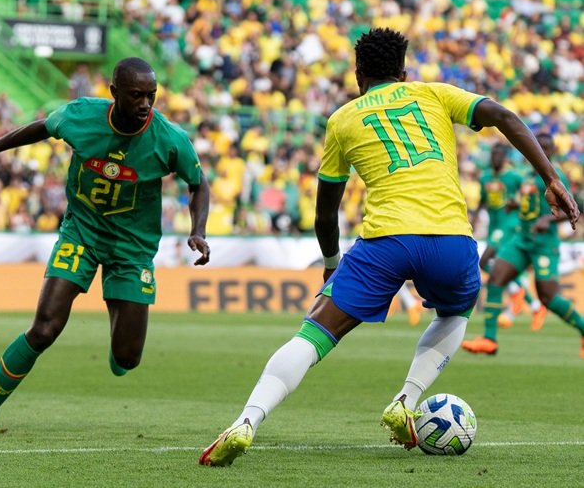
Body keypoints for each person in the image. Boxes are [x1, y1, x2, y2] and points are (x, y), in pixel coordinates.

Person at [198, 28, 579, 467]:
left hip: (385, 241)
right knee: (455, 312)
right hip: (450, 239)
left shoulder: (342, 119)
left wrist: (331, 264)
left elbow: (325, 213)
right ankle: (405, 400)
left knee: (313, 334)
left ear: (358, 75)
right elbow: (503, 116)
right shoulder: (433, 93)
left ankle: (246, 421)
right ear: (403, 72)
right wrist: (551, 178)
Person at [0, 57, 211, 435]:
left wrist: (198, 230)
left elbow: (198, 183)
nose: (145, 104)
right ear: (115, 93)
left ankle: (119, 322)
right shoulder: (81, 115)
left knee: (127, 358)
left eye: (152, 95)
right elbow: (41, 128)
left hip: (132, 247)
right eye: (137, 95)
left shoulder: (170, 139)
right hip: (82, 233)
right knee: (44, 328)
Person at [462, 133, 584, 357]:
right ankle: (489, 339)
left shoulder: (556, 177)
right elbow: (529, 202)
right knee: (496, 277)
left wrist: (547, 220)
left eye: (546, 147)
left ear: (552, 151)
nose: (542, 151)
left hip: (544, 243)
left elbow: (573, 210)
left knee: (548, 297)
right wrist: (515, 204)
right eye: (538, 146)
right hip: (522, 239)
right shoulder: (527, 175)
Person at [473, 142, 545, 328]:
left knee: (484, 261)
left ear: (505, 158)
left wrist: (521, 209)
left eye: (499, 155)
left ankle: (516, 291)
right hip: (494, 226)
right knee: (499, 267)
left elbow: (529, 194)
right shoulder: (485, 177)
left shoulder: (514, 177)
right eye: (493, 155)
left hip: (510, 224)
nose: (495, 158)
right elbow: (483, 201)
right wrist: (474, 219)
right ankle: (534, 305)